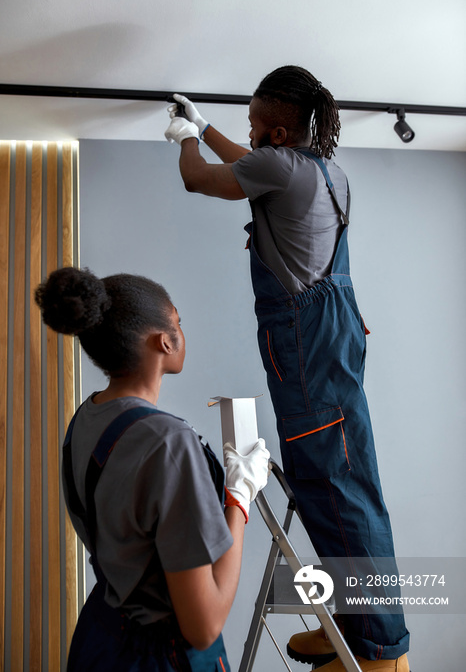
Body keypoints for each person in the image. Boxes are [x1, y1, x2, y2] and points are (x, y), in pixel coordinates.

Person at [164, 66, 410, 672]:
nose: (247, 133)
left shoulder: (277, 169)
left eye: (254, 124)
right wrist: (206, 123)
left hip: (306, 338)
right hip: (334, 331)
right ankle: (356, 624)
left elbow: (200, 180)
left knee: (334, 483)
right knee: (342, 475)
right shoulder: (327, 172)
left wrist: (184, 140)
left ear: (277, 133)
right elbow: (251, 161)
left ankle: (380, 650)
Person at [35, 266, 270, 672]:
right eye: (178, 321)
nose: (182, 330)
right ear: (164, 341)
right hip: (159, 657)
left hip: (98, 638)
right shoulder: (168, 444)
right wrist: (239, 496)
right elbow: (204, 625)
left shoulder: (86, 419)